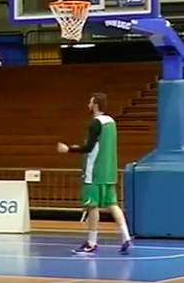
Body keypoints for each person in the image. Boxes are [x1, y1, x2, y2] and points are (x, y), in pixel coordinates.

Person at [57, 92, 132, 256]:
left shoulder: (95, 124)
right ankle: (126, 237)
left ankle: (91, 243)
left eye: (90, 103)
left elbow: (89, 148)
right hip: (109, 170)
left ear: (96, 105)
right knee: (113, 204)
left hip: (95, 171)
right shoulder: (111, 122)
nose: (88, 105)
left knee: (92, 207)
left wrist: (68, 149)